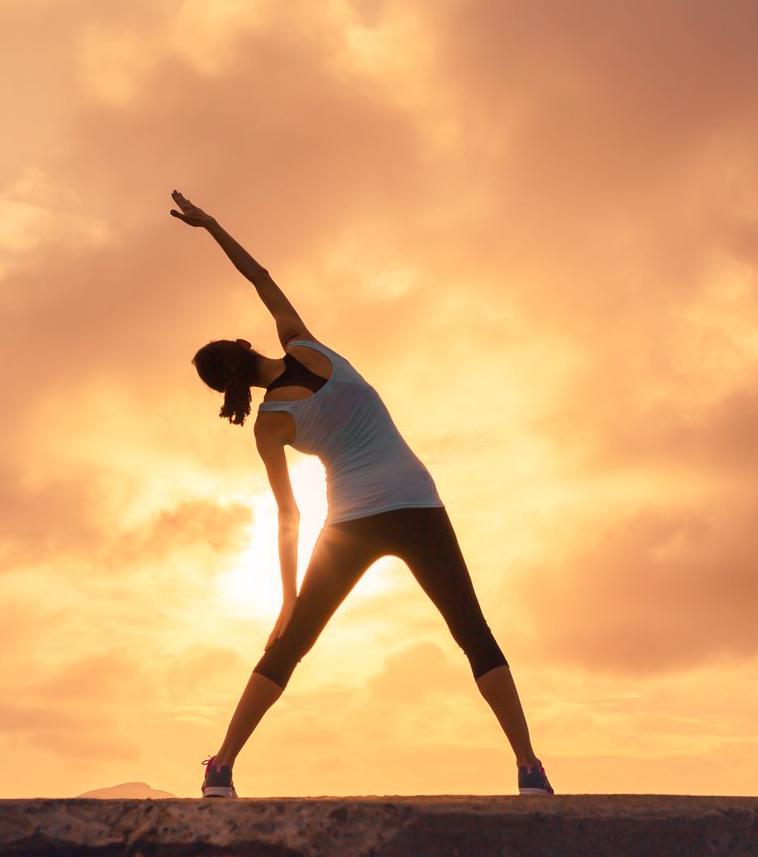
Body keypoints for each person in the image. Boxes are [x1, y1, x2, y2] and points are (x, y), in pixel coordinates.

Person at [170, 190, 553, 799]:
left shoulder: (270, 423)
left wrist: (288, 599)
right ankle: (530, 768)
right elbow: (260, 276)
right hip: (417, 503)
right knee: (472, 629)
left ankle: (220, 767)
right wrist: (212, 224)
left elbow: (289, 516)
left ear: (229, 389)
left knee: (291, 644)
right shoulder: (303, 342)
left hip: (350, 522)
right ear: (245, 347)